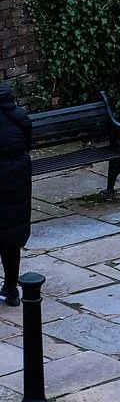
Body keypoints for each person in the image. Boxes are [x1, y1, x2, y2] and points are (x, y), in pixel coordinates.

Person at [0, 82, 32, 307]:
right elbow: (28, 142)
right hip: (19, 175)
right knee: (12, 240)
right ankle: (11, 289)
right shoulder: (20, 116)